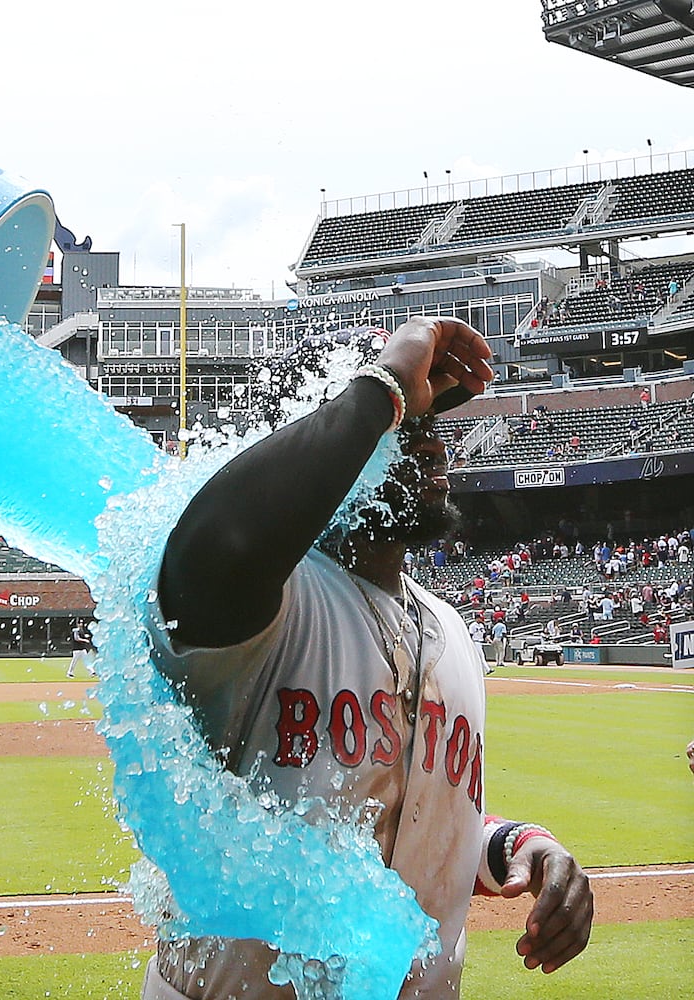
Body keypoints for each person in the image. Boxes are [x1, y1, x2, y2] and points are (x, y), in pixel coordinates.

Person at [143, 318, 592, 1000]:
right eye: (405, 428)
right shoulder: (268, 605)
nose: (434, 441)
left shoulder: (450, 630)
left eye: (432, 421)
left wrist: (518, 848)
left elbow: (423, 822)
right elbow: (218, 548)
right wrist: (378, 391)